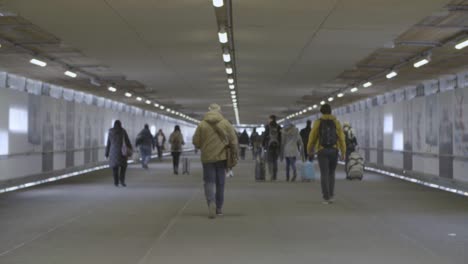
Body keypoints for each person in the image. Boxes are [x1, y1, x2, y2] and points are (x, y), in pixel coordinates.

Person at [193, 103, 238, 219]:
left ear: (208, 111)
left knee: (209, 182)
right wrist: (235, 153)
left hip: (207, 158)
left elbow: (196, 141)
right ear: (220, 111)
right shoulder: (225, 123)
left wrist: (203, 145)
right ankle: (219, 208)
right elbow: (233, 140)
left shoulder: (202, 124)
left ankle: (210, 203)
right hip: (222, 158)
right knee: (220, 183)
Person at [307, 104, 346, 204]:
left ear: (321, 112)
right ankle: (331, 195)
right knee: (331, 173)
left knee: (324, 173)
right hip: (334, 150)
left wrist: (309, 149)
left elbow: (312, 137)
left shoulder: (318, 122)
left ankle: (326, 197)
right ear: (331, 111)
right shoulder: (336, 122)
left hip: (322, 150)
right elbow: (341, 138)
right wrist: (343, 152)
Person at [105, 120, 133, 187]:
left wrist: (106, 153)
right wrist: (130, 148)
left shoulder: (110, 132)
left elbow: (108, 143)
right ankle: (122, 181)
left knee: (115, 168)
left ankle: (116, 182)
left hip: (113, 152)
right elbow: (127, 141)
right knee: (123, 167)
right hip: (122, 152)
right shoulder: (123, 131)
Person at [263, 115, 281, 181]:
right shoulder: (278, 127)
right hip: (276, 146)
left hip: (269, 146)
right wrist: (280, 146)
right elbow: (280, 137)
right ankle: (275, 175)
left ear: (271, 119)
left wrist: (263, 145)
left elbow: (264, 136)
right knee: (275, 161)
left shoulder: (268, 127)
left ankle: (271, 174)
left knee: (269, 161)